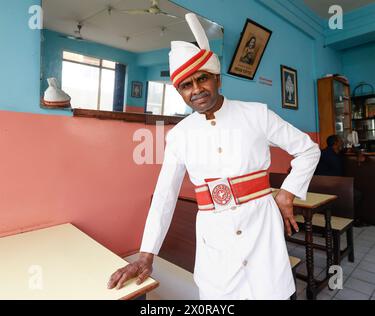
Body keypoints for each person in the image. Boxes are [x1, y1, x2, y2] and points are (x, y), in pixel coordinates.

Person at [107, 13, 321, 300]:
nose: (196, 90)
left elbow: (308, 149)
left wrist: (287, 193)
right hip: (216, 246)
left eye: (202, 78)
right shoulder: (179, 136)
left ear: (217, 78)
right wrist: (147, 255)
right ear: (179, 92)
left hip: (262, 234)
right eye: (186, 85)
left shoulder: (256, 114)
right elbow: (164, 196)